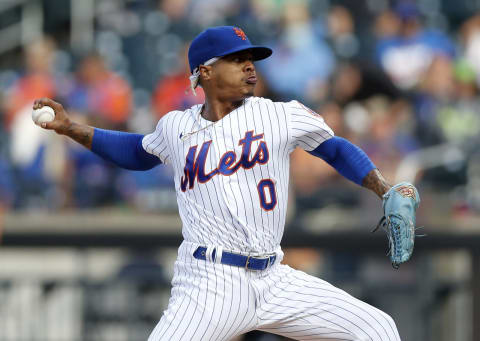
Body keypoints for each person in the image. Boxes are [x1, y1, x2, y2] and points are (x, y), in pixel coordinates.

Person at [34, 26, 407, 341]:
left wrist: (383, 188)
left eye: (251, 58)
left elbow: (335, 149)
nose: (249, 66)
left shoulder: (278, 114)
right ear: (205, 72)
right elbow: (136, 151)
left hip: (275, 278)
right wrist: (70, 128)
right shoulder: (176, 127)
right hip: (210, 282)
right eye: (235, 59)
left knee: (378, 330)